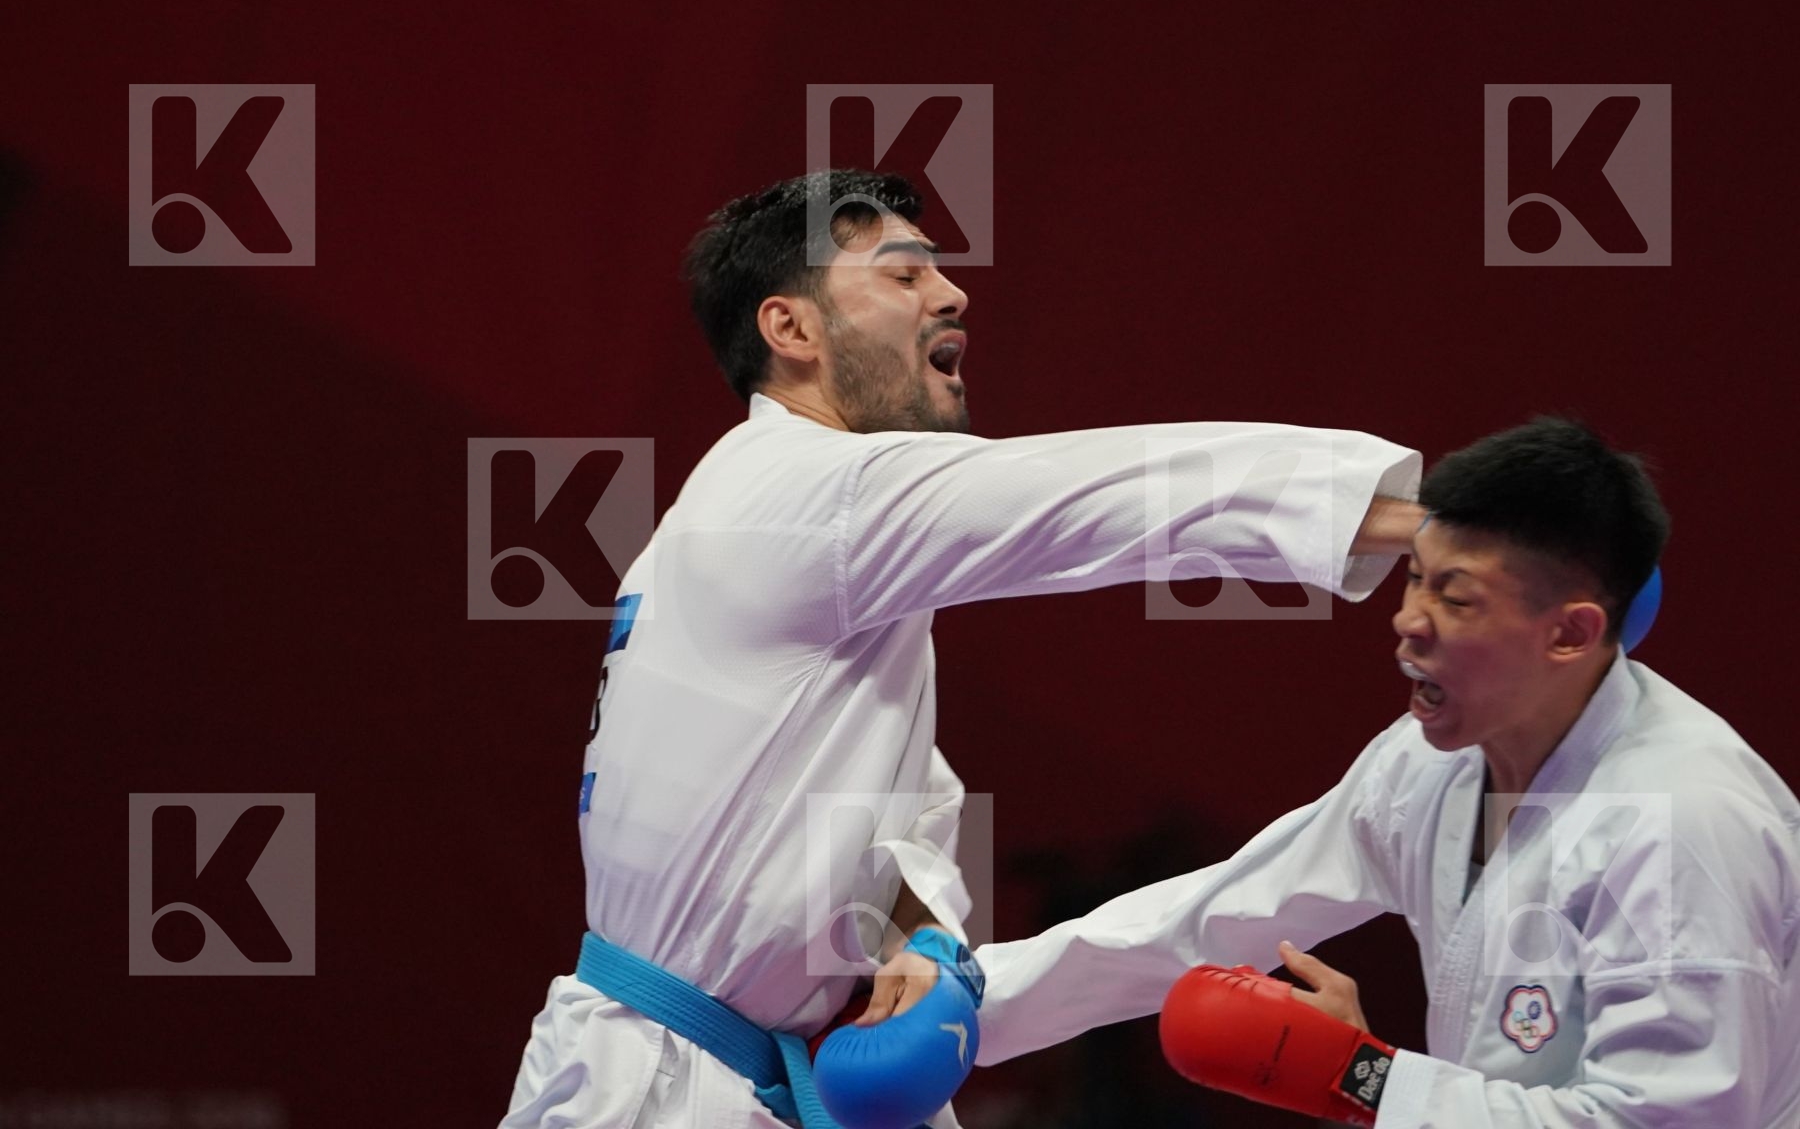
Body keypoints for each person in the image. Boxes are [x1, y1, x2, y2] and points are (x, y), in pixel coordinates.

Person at [499, 168, 1424, 1128]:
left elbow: (884, 814)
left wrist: (921, 934)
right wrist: (1420, 522)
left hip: (731, 1068)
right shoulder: (806, 497)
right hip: (657, 1089)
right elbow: (1096, 498)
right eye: (902, 276)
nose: (951, 293)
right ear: (793, 331)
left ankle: (1380, 836)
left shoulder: (788, 547)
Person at [972, 417, 1800, 1127]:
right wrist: (973, 1004)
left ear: (1570, 634)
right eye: (1413, 576)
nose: (1407, 620)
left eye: (1456, 596)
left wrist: (1360, 1076)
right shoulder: (1427, 762)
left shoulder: (1686, 827)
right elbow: (1221, 911)